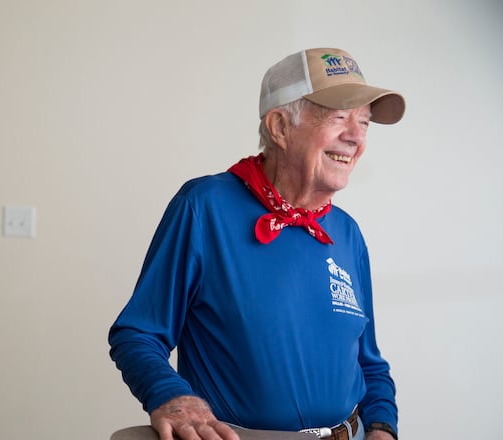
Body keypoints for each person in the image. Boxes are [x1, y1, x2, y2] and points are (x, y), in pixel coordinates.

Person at [108, 48, 405, 440]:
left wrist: (383, 427)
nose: (355, 137)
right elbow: (137, 332)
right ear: (280, 126)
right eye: (338, 117)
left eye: (363, 122)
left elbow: (369, 363)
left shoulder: (347, 233)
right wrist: (171, 395)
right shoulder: (204, 208)